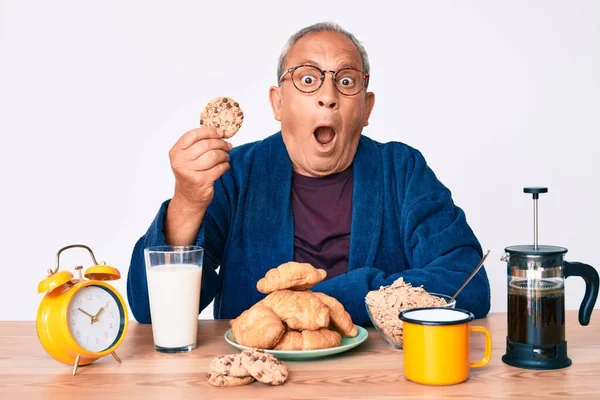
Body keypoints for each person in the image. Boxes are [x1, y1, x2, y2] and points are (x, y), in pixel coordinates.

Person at [127, 22, 491, 325]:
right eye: (307, 79)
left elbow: (468, 283)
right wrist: (188, 202)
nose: (328, 96)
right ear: (278, 102)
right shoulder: (235, 173)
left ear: (366, 108)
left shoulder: (402, 171)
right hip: (257, 371)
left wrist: (337, 296)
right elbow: (150, 310)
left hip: (374, 378)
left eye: (346, 81)